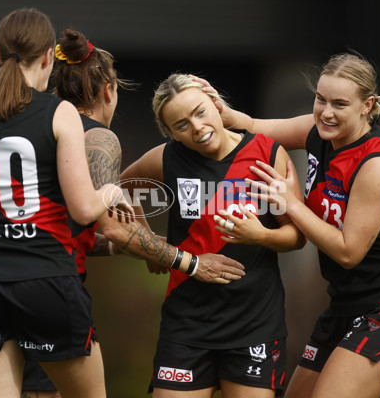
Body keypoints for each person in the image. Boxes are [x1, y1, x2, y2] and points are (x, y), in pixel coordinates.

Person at [194, 52, 380, 398]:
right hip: (344, 306)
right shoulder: (318, 131)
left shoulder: (377, 165)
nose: (325, 112)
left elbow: (348, 252)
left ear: (367, 105)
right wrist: (223, 112)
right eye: (320, 99)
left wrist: (291, 203)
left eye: (340, 104)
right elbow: (255, 128)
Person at [21, 30, 247, 397]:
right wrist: (189, 262)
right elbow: (116, 229)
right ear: (107, 90)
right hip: (52, 290)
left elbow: (59, 227)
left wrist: (134, 243)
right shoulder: (95, 137)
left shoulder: (30, 131)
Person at [0, 8, 134, 398]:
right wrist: (110, 192)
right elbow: (83, 209)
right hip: (46, 280)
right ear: (48, 58)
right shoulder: (58, 112)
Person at [120, 73, 306, 398]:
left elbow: (297, 237)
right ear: (170, 133)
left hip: (255, 324)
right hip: (186, 324)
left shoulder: (266, 152)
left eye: (200, 112)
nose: (197, 127)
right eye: (181, 124)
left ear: (216, 105)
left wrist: (259, 235)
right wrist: (151, 246)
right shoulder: (167, 158)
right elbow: (120, 190)